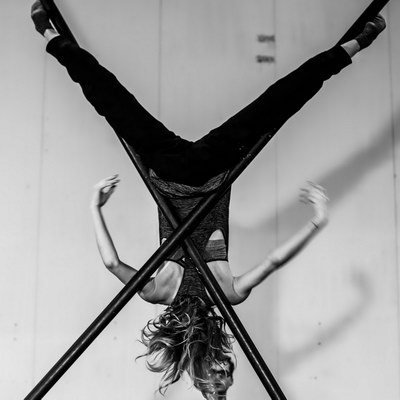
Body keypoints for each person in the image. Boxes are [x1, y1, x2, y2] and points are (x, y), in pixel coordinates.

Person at [31, 1, 386, 397]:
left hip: (207, 170)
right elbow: (112, 262)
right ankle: (51, 35)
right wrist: (95, 208)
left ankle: (354, 45)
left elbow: (274, 260)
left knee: (279, 101)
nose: (224, 368)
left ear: (205, 354)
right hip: (170, 170)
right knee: (111, 98)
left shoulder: (225, 292)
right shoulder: (163, 292)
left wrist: (317, 222)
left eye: (218, 375)